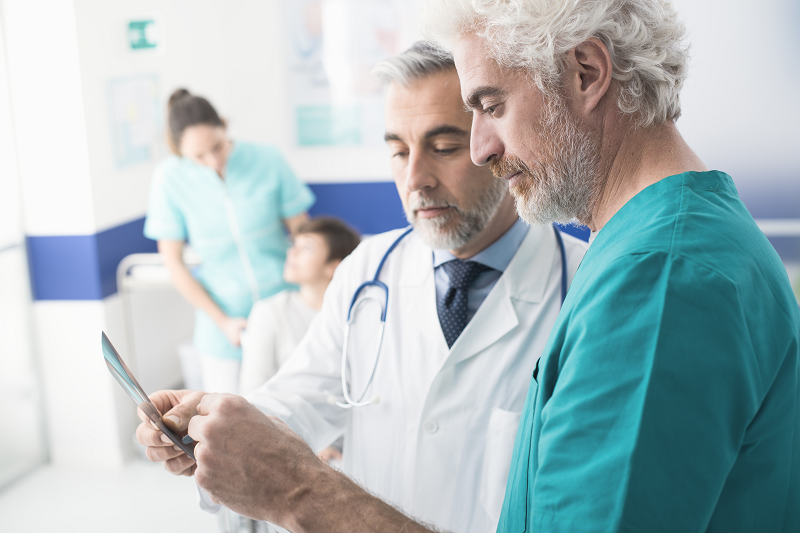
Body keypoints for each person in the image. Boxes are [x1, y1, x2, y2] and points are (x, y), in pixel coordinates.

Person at [137, 43, 588, 533]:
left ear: (496, 143)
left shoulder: (582, 289)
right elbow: (301, 396)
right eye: (398, 151)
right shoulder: (367, 269)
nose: (415, 178)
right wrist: (215, 425)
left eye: (443, 148)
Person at [144, 89, 315, 394]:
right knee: (227, 427)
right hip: (222, 323)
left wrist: (314, 296)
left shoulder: (267, 160)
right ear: (178, 150)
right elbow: (174, 263)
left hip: (284, 310)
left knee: (295, 420)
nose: (213, 161)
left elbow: (304, 233)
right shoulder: (169, 179)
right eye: (198, 156)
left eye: (218, 147)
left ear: (224, 125)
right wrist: (222, 321)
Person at [239, 217, 361, 396]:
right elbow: (252, 388)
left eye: (307, 247)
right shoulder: (270, 311)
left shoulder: (353, 316)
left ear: (335, 266)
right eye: (295, 243)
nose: (292, 252)